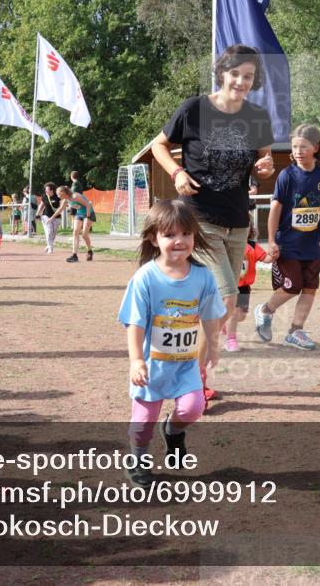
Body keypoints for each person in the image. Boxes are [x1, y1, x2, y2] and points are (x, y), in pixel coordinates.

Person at [149, 44, 276, 401]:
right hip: (199, 220)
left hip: (238, 222)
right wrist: (176, 172)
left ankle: (192, 375)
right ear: (222, 73)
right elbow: (159, 145)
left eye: (248, 76)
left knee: (220, 306)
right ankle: (190, 381)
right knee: (225, 298)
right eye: (235, 73)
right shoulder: (194, 109)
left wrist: (266, 166)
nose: (240, 81)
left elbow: (265, 159)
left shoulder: (256, 116)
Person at [118, 199, 225, 487]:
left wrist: (213, 346)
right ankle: (138, 459)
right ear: (154, 238)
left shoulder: (203, 277)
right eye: (170, 235)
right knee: (142, 425)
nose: (179, 241)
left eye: (186, 234)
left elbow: (210, 315)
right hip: (152, 369)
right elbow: (135, 322)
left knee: (193, 408)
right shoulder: (145, 278)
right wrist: (136, 361)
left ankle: (174, 431)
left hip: (185, 365)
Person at [254, 124, 320, 350]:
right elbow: (275, 209)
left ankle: (295, 331)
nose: (298, 151)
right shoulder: (287, 176)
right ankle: (265, 311)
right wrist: (271, 240)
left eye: (304, 146)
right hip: (287, 246)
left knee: (310, 288)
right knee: (292, 287)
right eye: (295, 147)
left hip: (312, 247)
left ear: (316, 148)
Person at [224, 220, 267, 352]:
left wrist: (275, 254)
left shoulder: (252, 246)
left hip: (244, 287)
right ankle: (231, 339)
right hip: (229, 285)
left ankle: (225, 324)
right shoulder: (224, 246)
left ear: (250, 229)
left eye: (244, 226)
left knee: (241, 316)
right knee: (234, 312)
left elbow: (266, 258)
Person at [58, 185, 95, 262]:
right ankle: (74, 256)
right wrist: (51, 218)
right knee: (75, 232)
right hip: (79, 214)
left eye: (58, 194)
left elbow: (88, 205)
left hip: (88, 213)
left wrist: (88, 218)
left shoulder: (75, 196)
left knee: (84, 235)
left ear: (63, 193)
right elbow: (60, 209)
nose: (58, 196)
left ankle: (89, 251)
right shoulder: (66, 199)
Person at [38, 182, 63, 254]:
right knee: (48, 232)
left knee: (53, 233)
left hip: (56, 217)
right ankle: (50, 248)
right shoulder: (44, 196)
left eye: (47, 190)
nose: (45, 191)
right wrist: (37, 214)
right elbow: (41, 205)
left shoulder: (58, 197)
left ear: (52, 190)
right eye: (45, 190)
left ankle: (49, 245)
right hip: (46, 216)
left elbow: (61, 207)